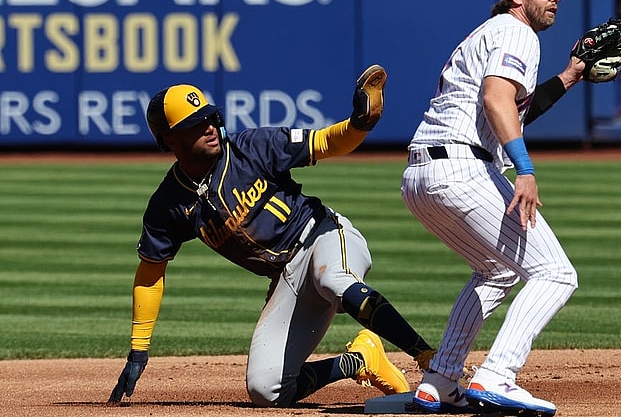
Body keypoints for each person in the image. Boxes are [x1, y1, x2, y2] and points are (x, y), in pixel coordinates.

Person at [108, 65, 436, 407]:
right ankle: (361, 359)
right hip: (287, 277)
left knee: (334, 281)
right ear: (168, 140)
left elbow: (327, 141)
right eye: (195, 124)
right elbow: (150, 271)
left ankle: (429, 357)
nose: (209, 127)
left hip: (322, 237)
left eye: (210, 118)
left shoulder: (253, 148)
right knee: (267, 390)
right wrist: (138, 349)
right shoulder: (169, 205)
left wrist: (359, 124)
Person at [401, 0, 584, 414]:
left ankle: (441, 379)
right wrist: (525, 169)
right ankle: (498, 374)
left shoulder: (493, 32)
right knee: (555, 274)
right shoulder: (516, 31)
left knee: (496, 271)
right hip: (463, 169)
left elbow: (515, 111)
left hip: (423, 174)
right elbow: (496, 100)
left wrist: (572, 74)